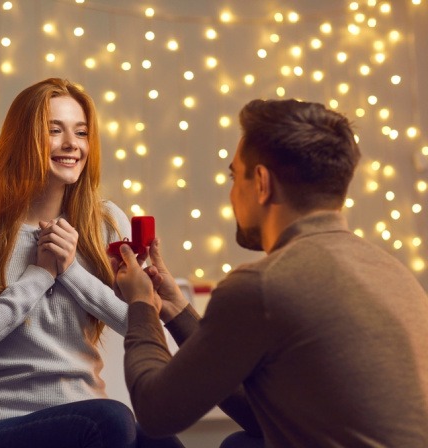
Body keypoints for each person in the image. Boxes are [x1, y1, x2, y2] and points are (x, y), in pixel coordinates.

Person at [113, 99, 428, 447]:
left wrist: (141, 305)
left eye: (235, 176)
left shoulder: (262, 285)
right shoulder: (393, 272)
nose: (232, 194)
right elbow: (259, 414)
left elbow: (157, 411)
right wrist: (171, 307)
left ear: (261, 181)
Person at [0, 77, 184, 448]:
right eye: (55, 130)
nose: (72, 144)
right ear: (23, 141)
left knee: (160, 441)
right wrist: (39, 275)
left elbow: (147, 330)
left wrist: (71, 271)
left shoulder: (105, 223)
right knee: (115, 419)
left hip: (90, 418)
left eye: (81, 133)